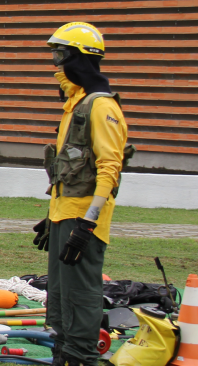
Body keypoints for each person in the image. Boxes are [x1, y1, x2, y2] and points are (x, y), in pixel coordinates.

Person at [34, 22, 132, 366]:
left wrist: (88, 224)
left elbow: (109, 168)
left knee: (81, 291)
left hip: (84, 219)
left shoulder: (102, 107)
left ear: (80, 59)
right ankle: (64, 350)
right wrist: (52, 216)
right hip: (64, 213)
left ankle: (81, 357)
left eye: (61, 56)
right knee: (59, 292)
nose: (56, 64)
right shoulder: (77, 102)